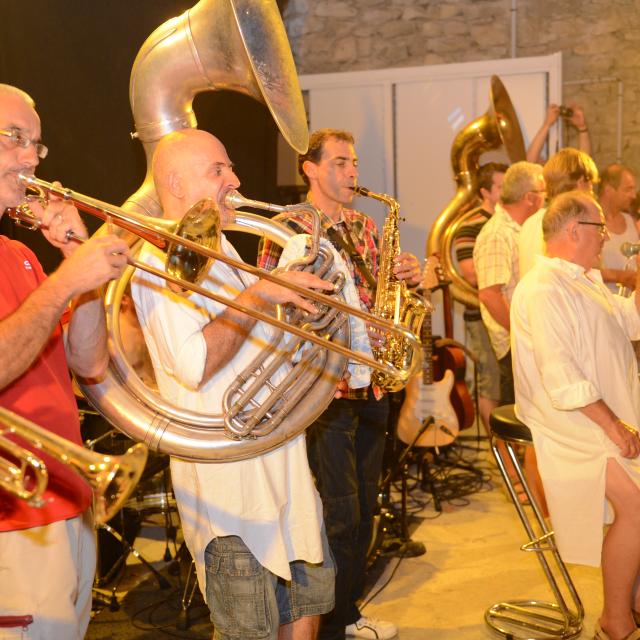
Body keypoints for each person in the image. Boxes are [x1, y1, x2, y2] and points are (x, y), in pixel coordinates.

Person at [131, 128, 336, 640]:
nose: (236, 180)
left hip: (284, 469)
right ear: (176, 181)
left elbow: (259, 342)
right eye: (218, 169)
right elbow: (194, 362)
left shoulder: (223, 246)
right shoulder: (156, 260)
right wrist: (265, 294)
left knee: (306, 608)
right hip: (230, 497)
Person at [258, 128, 422, 640]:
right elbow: (271, 300)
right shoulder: (287, 227)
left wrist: (408, 277)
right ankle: (324, 623)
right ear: (309, 168)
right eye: (341, 162)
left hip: (371, 383)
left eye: (355, 162)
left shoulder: (365, 225)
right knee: (338, 512)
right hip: (322, 389)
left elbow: (379, 293)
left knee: (365, 503)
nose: (353, 172)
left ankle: (347, 611)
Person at [0, 84, 129, 638]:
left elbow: (90, 361)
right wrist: (64, 286)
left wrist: (79, 267)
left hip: (69, 501)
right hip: (14, 523)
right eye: (14, 138)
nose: (30, 157)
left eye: (37, 144)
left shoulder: (22, 255)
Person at [511, 190, 640, 640]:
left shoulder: (584, 278)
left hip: (600, 412)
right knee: (637, 507)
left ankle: (631, 601)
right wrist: (613, 425)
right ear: (573, 231)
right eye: (599, 227)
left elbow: (631, 321)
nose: (605, 237)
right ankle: (615, 620)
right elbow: (561, 376)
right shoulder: (543, 289)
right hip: (568, 424)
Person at [473, 161, 545, 406]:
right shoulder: (497, 233)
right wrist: (520, 334)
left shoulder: (522, 229)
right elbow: (490, 295)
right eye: (543, 193)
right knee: (519, 418)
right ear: (530, 198)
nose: (546, 199)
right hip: (515, 344)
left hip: (528, 338)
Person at [453, 162, 507, 435]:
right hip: (482, 314)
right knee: (491, 381)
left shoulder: (508, 224)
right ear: (485, 192)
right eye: (501, 186)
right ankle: (496, 447)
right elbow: (473, 276)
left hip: (503, 310)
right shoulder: (469, 228)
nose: (507, 190)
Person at [518, 147, 599, 278]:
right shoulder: (565, 224)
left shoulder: (531, 221)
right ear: (580, 182)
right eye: (590, 184)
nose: (592, 191)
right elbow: (578, 276)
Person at [598, 164, 639, 293]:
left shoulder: (632, 221)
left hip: (630, 308)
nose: (633, 196)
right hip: (602, 306)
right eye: (628, 190)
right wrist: (620, 276)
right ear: (609, 190)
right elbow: (581, 269)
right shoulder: (590, 222)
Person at [526, 103, 591, 164]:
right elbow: (529, 162)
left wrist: (582, 127)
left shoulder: (568, 172)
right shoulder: (542, 172)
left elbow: (584, 164)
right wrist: (547, 124)